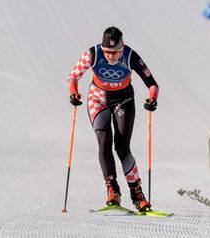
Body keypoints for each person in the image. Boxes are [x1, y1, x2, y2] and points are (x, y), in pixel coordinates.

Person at [67, 26, 158, 211]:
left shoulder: (131, 55)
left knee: (122, 146)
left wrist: (152, 99)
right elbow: (73, 77)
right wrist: (74, 93)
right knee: (104, 141)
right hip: (97, 99)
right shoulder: (93, 53)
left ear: (122, 48)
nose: (110, 56)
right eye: (108, 52)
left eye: (115, 53)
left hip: (123, 99)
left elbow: (152, 84)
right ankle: (112, 190)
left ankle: (137, 194)